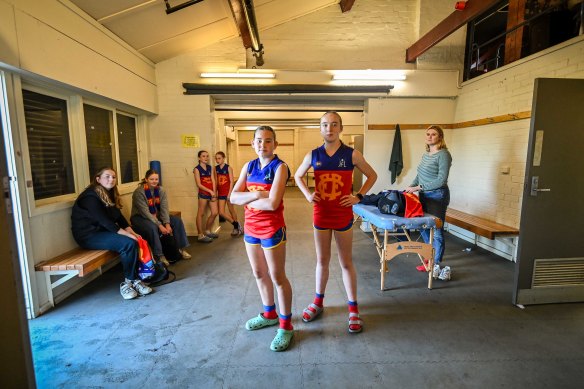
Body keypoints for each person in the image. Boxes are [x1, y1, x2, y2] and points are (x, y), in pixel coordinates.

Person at [294, 111, 377, 334]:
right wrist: (307, 194)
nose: (329, 129)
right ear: (320, 129)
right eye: (324, 125)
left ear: (340, 128)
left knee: (346, 262)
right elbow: (297, 176)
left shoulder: (352, 154)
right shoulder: (313, 155)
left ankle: (353, 309)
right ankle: (318, 302)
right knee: (322, 260)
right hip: (321, 213)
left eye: (333, 125)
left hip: (342, 214)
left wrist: (358, 196)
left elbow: (372, 175)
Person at [230, 126, 294, 352]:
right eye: (259, 140)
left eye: (268, 141)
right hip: (251, 230)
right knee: (259, 274)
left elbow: (272, 204)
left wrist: (246, 200)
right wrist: (256, 195)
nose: (262, 144)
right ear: (252, 143)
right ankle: (269, 314)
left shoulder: (280, 167)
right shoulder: (248, 167)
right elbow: (232, 197)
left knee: (277, 277)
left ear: (275, 144)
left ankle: (286, 326)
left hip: (272, 230)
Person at [71, 167, 153, 300]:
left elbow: (118, 217)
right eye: (107, 176)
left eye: (113, 177)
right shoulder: (90, 197)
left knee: (138, 237)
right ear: (98, 179)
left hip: (102, 232)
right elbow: (105, 222)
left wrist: (131, 231)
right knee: (128, 243)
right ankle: (128, 283)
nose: (111, 179)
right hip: (88, 236)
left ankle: (135, 280)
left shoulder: (107, 194)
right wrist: (128, 235)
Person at [404, 124, 453, 281]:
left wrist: (419, 187)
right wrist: (411, 187)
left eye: (433, 134)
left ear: (440, 137)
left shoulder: (444, 155)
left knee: (436, 230)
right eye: (428, 134)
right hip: (424, 194)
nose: (430, 136)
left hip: (438, 195)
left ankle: (436, 263)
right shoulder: (426, 155)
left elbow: (441, 179)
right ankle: (429, 259)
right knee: (423, 227)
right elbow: (420, 175)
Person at [130, 169, 191, 266]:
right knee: (152, 227)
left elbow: (164, 208)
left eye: (156, 179)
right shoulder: (139, 192)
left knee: (176, 221)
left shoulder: (161, 190)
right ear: (146, 179)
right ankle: (159, 255)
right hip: (140, 217)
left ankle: (181, 249)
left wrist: (167, 224)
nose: (154, 181)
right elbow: (146, 213)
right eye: (151, 179)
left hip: (156, 215)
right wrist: (160, 225)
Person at [214, 151, 243, 236]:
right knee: (221, 212)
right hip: (220, 193)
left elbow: (231, 181)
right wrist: (215, 192)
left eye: (219, 158)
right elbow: (216, 182)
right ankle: (236, 225)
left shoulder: (228, 168)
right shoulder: (215, 169)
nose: (217, 160)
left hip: (228, 192)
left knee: (231, 210)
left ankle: (235, 229)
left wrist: (230, 193)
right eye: (216, 158)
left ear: (223, 158)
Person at [193, 150, 219, 242]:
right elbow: (199, 184)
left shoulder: (210, 167)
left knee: (215, 212)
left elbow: (213, 180)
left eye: (207, 156)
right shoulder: (197, 169)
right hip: (203, 194)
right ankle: (200, 235)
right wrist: (210, 191)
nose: (206, 158)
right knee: (201, 213)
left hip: (212, 194)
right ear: (199, 158)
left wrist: (214, 192)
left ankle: (207, 231)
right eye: (203, 156)